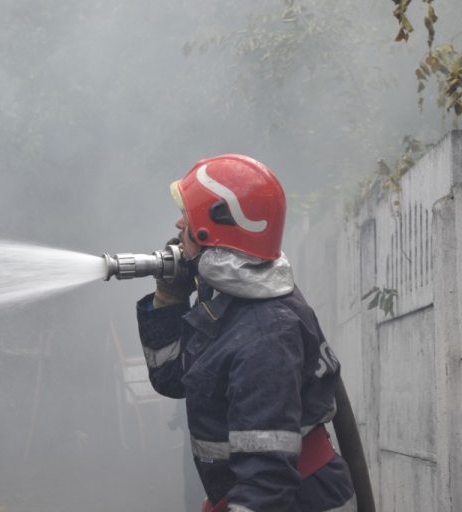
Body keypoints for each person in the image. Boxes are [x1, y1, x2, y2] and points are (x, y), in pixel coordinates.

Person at [136, 155, 356, 511]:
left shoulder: (265, 336)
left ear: (213, 230)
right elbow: (174, 379)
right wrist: (168, 299)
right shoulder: (230, 299)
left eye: (188, 217)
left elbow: (267, 485)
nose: (178, 224)